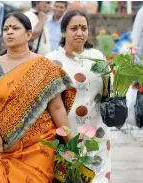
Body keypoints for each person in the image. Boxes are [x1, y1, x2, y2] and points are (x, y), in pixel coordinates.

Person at [0, 12, 77, 183]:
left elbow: (57, 108)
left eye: (15, 28)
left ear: (29, 34)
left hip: (39, 148)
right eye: (6, 28)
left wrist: (72, 144)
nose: (9, 32)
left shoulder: (44, 67)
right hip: (3, 147)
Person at [46, 10, 111, 183]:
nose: (80, 33)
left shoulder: (97, 57)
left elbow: (109, 92)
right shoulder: (52, 62)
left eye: (84, 28)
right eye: (74, 28)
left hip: (98, 136)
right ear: (63, 31)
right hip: (66, 140)